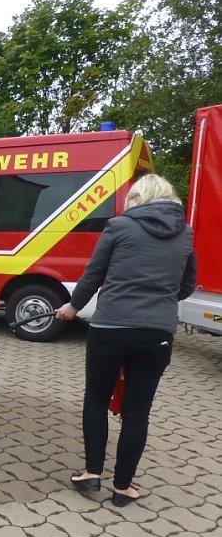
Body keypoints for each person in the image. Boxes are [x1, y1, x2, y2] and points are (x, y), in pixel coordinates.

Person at [56, 174, 196, 507]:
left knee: (96, 398)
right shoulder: (185, 233)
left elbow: (94, 273)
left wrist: (73, 307)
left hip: (110, 328)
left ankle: (92, 473)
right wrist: (159, 301)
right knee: (137, 412)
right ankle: (122, 488)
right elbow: (188, 284)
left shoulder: (119, 226)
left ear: (138, 198)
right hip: (158, 333)